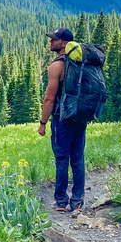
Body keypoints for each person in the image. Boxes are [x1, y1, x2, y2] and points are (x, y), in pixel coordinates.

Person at [37, 27, 87, 214]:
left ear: (64, 43)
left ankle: (60, 201)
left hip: (62, 119)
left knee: (62, 159)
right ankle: (77, 202)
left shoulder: (57, 66)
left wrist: (43, 123)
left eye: (54, 39)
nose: (51, 42)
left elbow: (49, 99)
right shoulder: (82, 63)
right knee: (78, 158)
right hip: (80, 118)